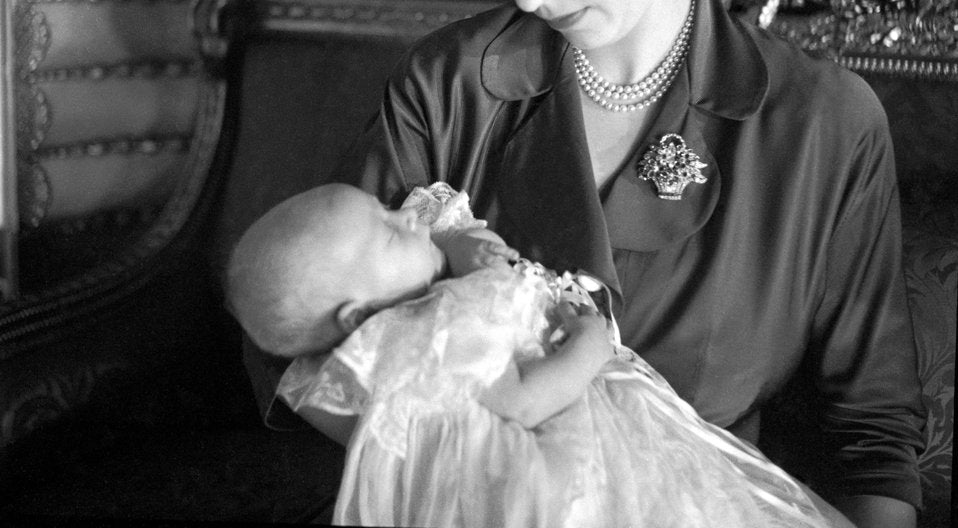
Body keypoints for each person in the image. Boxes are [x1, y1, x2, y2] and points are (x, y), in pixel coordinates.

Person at [248, 0, 924, 528]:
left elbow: (873, 437)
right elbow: (307, 329)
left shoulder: (820, 124)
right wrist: (459, 433)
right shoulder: (451, 85)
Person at [228, 180, 853, 528]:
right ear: (357, 314)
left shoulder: (374, 349)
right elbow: (522, 404)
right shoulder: (431, 329)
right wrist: (589, 344)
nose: (411, 219)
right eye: (392, 227)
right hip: (564, 472)